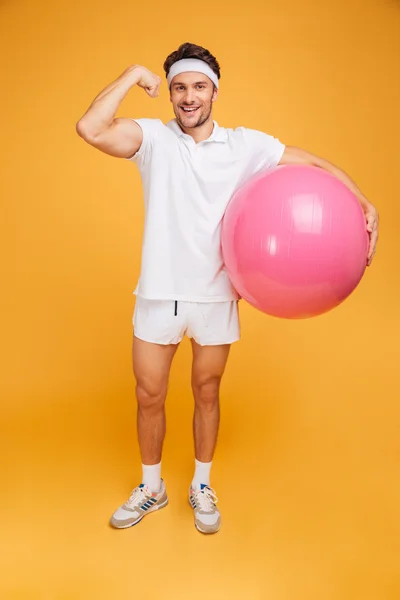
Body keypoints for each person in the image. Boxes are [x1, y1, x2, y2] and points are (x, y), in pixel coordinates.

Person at [76, 42, 379, 535]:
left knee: (207, 392)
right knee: (149, 394)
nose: (189, 96)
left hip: (217, 296)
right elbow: (90, 128)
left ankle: (201, 484)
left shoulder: (247, 146)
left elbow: (313, 165)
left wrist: (364, 201)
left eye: (198, 86)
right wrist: (134, 73)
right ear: (169, 94)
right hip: (159, 294)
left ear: (214, 91)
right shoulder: (152, 139)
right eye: (179, 88)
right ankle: (152, 487)